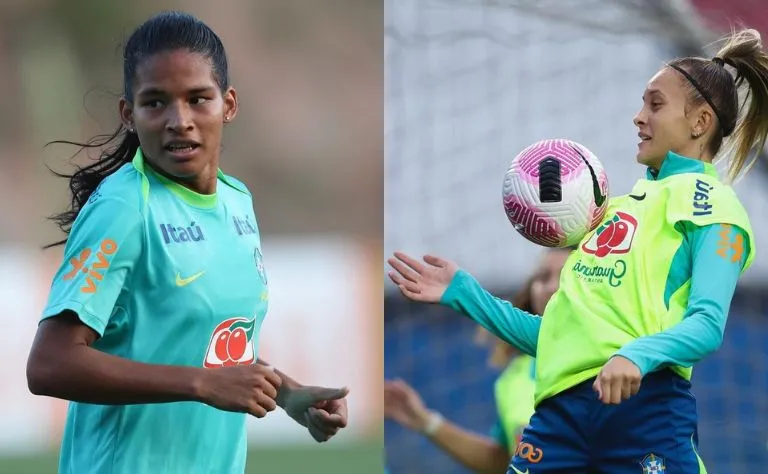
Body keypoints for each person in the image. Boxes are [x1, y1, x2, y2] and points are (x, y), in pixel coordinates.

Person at [388, 27, 767, 474]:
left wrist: (635, 356)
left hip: (643, 411)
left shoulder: (711, 204)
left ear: (700, 122)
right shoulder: (611, 211)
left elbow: (706, 325)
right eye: (642, 103)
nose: (638, 116)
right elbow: (557, 336)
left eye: (655, 104)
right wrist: (463, 291)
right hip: (558, 421)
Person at [26, 12, 348, 474]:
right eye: (155, 103)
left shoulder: (237, 203)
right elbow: (49, 365)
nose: (179, 120)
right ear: (128, 114)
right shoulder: (123, 209)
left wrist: (288, 394)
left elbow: (204, 343)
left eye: (198, 99)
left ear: (229, 104)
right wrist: (201, 383)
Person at [384, 248, 571, 473]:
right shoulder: (513, 379)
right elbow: (503, 460)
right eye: (543, 277)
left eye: (565, 276)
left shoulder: (614, 361)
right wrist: (426, 422)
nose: (551, 286)